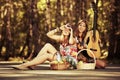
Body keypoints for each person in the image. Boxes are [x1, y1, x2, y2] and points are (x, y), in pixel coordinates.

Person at [12, 23, 77, 70]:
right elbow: (48, 34)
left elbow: (71, 42)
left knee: (47, 55)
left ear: (70, 32)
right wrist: (58, 29)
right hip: (62, 59)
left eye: (68, 30)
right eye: (65, 29)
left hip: (69, 61)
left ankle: (25, 65)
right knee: (47, 45)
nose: (66, 30)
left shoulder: (73, 39)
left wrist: (71, 32)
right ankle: (33, 64)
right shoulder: (61, 38)